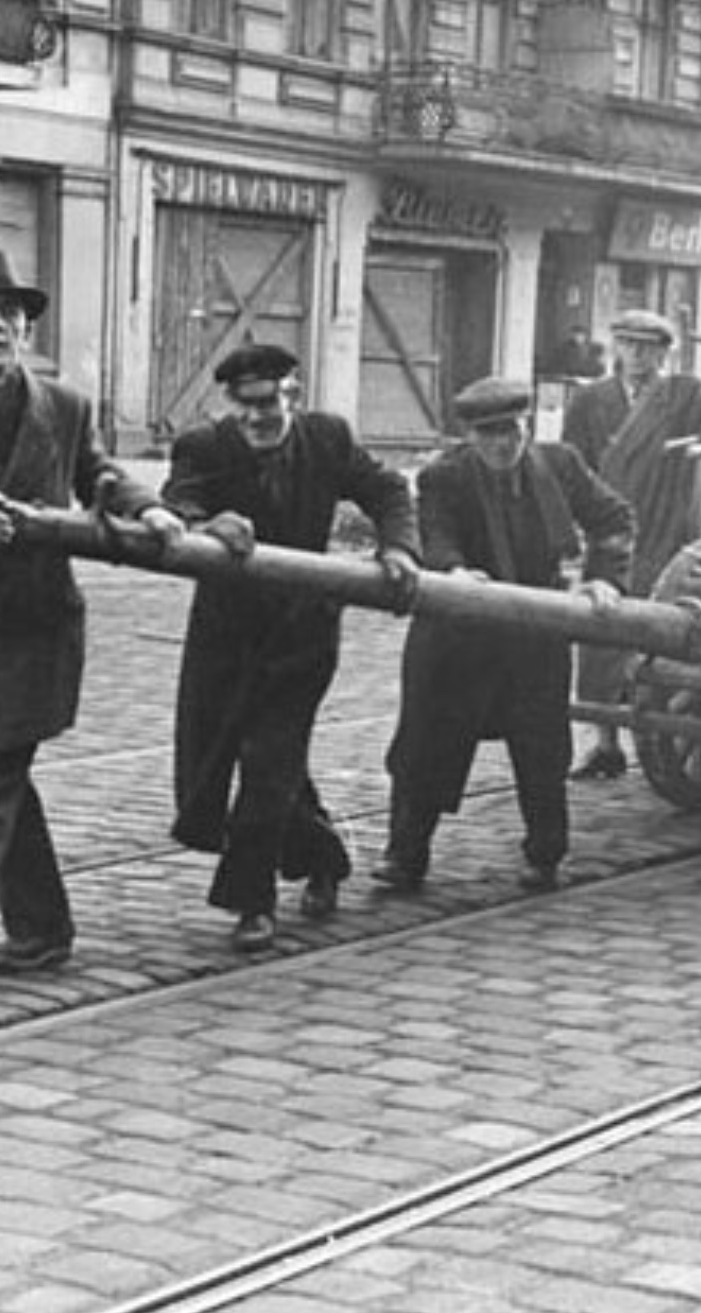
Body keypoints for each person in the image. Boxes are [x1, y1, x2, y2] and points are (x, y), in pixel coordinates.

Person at [0, 249, 187, 1007]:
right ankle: (42, 928)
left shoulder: (62, 406)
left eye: (12, 314)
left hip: (35, 626)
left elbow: (99, 476)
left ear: (24, 331)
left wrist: (145, 507)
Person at [162, 343, 420, 950]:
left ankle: (253, 903)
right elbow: (175, 503)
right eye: (245, 405)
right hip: (226, 634)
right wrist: (206, 526)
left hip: (303, 632)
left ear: (292, 395)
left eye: (270, 402)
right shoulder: (205, 447)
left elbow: (387, 492)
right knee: (213, 759)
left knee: (270, 765)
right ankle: (324, 854)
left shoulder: (327, 438)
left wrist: (399, 547)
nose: (258, 417)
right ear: (229, 404)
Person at [376, 377, 633, 893]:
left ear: (528, 427)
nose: (502, 444)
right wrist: (451, 572)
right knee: (426, 747)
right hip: (458, 632)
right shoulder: (443, 477)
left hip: (535, 631)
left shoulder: (560, 466)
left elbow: (613, 517)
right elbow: (436, 532)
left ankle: (544, 855)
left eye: (512, 431)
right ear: (469, 436)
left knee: (542, 749)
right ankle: (405, 855)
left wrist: (605, 577)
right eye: (489, 433)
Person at [562, 307, 701, 779]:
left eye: (649, 347)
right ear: (616, 348)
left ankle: (667, 724)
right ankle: (604, 743)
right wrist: (573, 524)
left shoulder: (682, 395)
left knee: (664, 633)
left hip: (667, 531)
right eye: (628, 344)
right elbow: (571, 463)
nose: (638, 355)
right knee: (601, 630)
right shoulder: (590, 401)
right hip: (612, 533)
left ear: (665, 353)